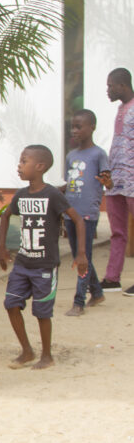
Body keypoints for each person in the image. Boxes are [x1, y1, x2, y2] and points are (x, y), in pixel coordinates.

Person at [0, 145, 87, 370]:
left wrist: (82, 253)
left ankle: (46, 355)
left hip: (45, 266)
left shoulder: (52, 195)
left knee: (42, 312)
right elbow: (6, 216)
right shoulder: (20, 195)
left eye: (24, 161)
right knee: (11, 303)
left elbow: (78, 219)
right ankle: (27, 350)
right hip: (22, 264)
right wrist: (1, 247)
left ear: (40, 167)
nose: (19, 165)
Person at [62, 109, 110, 315]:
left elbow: (108, 180)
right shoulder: (71, 155)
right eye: (72, 126)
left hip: (88, 213)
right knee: (79, 255)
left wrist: (108, 181)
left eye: (79, 126)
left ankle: (79, 302)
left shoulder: (98, 154)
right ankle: (97, 293)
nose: (74, 130)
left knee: (83, 256)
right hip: (70, 212)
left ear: (92, 127)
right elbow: (68, 183)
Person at [100, 67, 134, 295]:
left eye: (110, 85)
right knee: (117, 231)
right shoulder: (121, 109)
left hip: (133, 179)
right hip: (116, 181)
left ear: (122, 85)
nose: (107, 90)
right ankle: (112, 278)